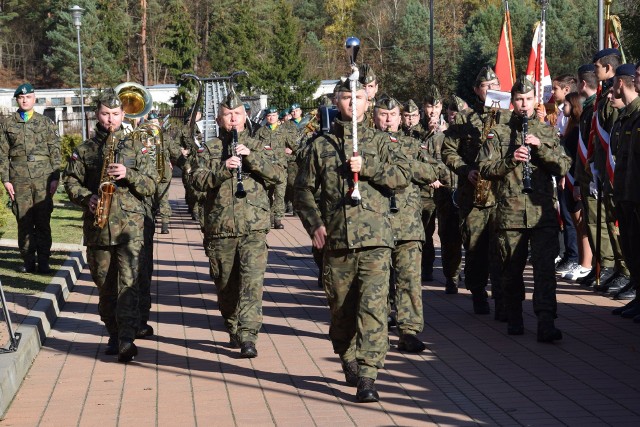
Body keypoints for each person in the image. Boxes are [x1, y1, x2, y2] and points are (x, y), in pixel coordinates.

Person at [295, 79, 411, 403]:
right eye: (346, 97)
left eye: (358, 97)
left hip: (375, 241)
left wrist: (368, 167)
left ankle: (369, 375)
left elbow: (403, 176)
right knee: (342, 313)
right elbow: (301, 190)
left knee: (374, 309)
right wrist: (315, 225)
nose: (352, 103)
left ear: (367, 101)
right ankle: (348, 358)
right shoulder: (320, 145)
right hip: (337, 243)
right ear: (336, 101)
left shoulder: (382, 141)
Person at [63, 90, 157, 362]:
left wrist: (129, 174)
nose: (110, 120)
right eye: (105, 114)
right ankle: (114, 333)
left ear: (124, 115)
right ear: (97, 115)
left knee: (129, 283)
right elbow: (71, 182)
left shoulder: (138, 146)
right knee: (105, 287)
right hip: (98, 228)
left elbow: (151, 184)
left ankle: (127, 337)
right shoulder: (84, 150)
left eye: (116, 114)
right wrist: (86, 198)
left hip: (131, 228)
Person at [478, 75, 571, 342]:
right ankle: (514, 316)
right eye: (519, 99)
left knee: (544, 271)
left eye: (528, 99)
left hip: (541, 213)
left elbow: (563, 166)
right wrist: (510, 160)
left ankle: (545, 321)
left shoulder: (545, 131)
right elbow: (484, 167)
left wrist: (540, 149)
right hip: (510, 214)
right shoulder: (500, 132)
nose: (524, 104)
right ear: (512, 102)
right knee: (511, 269)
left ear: (535, 101)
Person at [191, 92, 283, 358]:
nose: (233, 119)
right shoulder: (209, 149)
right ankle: (233, 326)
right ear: (219, 119)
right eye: (228, 115)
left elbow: (279, 174)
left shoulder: (258, 145)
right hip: (220, 229)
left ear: (245, 117)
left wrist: (251, 157)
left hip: (253, 228)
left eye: (238, 114)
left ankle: (248, 335)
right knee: (226, 286)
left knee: (251, 284)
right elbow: (196, 181)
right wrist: (223, 169)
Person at [442, 66, 510, 318]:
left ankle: (503, 301)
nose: (491, 89)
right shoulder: (463, 119)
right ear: (476, 91)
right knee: (475, 248)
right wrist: (465, 170)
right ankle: (479, 293)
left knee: (503, 250)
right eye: (485, 86)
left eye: (495, 84)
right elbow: (448, 151)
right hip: (475, 196)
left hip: (504, 196)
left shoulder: (511, 116)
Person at [373, 96, 440, 353]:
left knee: (409, 280)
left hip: (408, 225)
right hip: (375, 224)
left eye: (393, 115)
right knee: (378, 282)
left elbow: (435, 171)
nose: (388, 120)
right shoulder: (365, 144)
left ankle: (408, 330)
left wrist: (405, 166)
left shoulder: (413, 145)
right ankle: (377, 330)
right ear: (374, 116)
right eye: (383, 114)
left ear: (401, 119)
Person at [0, 83, 61, 274]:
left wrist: (55, 176)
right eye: (21, 97)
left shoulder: (46, 123)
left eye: (28, 97)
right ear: (17, 99)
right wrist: (5, 179)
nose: (24, 100)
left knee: (43, 220)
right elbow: (2, 153)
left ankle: (43, 261)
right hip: (18, 177)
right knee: (23, 221)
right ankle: (28, 260)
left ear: (34, 98)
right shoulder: (8, 124)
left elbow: (55, 150)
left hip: (43, 177)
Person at [589, 48, 631, 296]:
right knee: (610, 223)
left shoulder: (615, 102)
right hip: (606, 171)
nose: (596, 72)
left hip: (618, 173)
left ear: (608, 68)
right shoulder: (603, 96)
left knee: (616, 225)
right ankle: (620, 269)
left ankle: (625, 270)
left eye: (597, 67)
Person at [611, 62, 640, 318]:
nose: (637, 80)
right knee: (631, 246)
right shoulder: (629, 115)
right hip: (627, 192)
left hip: (636, 193)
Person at [558, 92, 593, 282]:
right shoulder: (572, 126)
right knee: (576, 222)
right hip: (570, 176)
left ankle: (586, 263)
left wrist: (576, 180)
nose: (563, 108)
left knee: (581, 223)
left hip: (577, 177)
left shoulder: (580, 128)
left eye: (566, 105)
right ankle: (581, 261)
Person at [254, 106, 292, 229]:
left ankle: (278, 219)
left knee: (280, 194)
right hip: (266, 169)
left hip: (280, 168)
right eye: (269, 116)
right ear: (266, 117)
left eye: (274, 115)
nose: (271, 117)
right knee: (267, 194)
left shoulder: (284, 131)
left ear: (277, 116)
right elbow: (254, 147)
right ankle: (268, 218)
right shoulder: (260, 132)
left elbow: (295, 146)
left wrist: (289, 155)